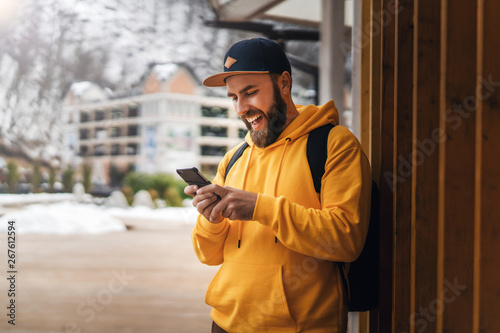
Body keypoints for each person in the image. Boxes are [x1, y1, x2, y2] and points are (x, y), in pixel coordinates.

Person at [185, 38, 372, 333]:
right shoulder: (234, 158)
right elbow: (208, 255)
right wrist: (212, 219)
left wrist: (260, 207)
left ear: (284, 83)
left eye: (250, 93)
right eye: (233, 97)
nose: (241, 108)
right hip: (225, 323)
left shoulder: (333, 144)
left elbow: (345, 238)